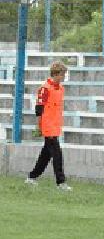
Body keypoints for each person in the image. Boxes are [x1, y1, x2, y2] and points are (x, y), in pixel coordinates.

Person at [26, 61, 72, 190]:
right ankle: (61, 182)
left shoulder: (61, 89)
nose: (64, 77)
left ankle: (32, 177)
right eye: (62, 75)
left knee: (46, 155)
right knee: (57, 154)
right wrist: (39, 126)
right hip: (48, 126)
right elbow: (39, 109)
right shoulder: (45, 88)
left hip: (55, 126)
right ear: (56, 74)